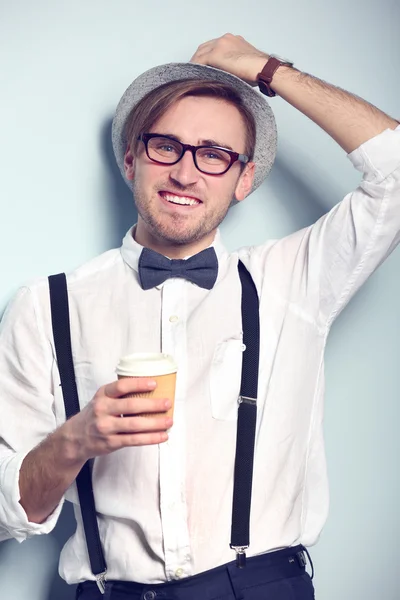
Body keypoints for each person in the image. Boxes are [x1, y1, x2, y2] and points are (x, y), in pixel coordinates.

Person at [0, 33, 399, 600]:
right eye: (167, 146)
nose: (186, 174)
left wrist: (267, 71)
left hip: (262, 586)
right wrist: (75, 440)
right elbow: (4, 513)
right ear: (132, 159)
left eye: (214, 155)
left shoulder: (294, 279)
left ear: (243, 179)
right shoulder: (45, 306)